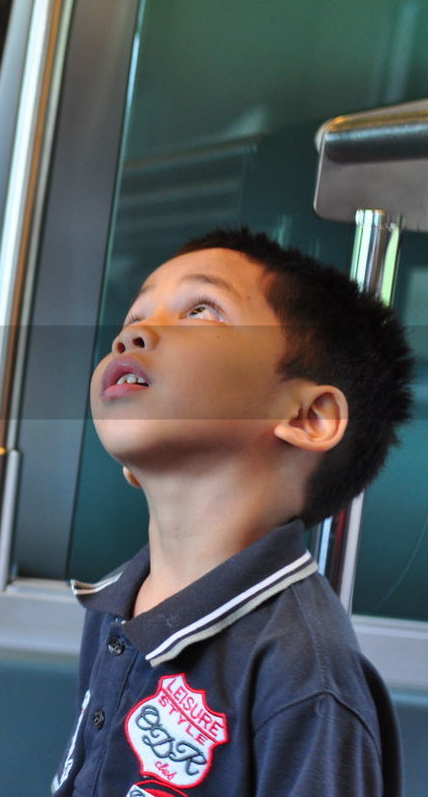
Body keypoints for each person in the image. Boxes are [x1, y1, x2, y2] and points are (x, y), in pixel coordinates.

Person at [51, 228, 412, 797]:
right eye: (133, 317)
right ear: (133, 470)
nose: (132, 337)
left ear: (309, 417)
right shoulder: (119, 598)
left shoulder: (302, 671)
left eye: (200, 310)